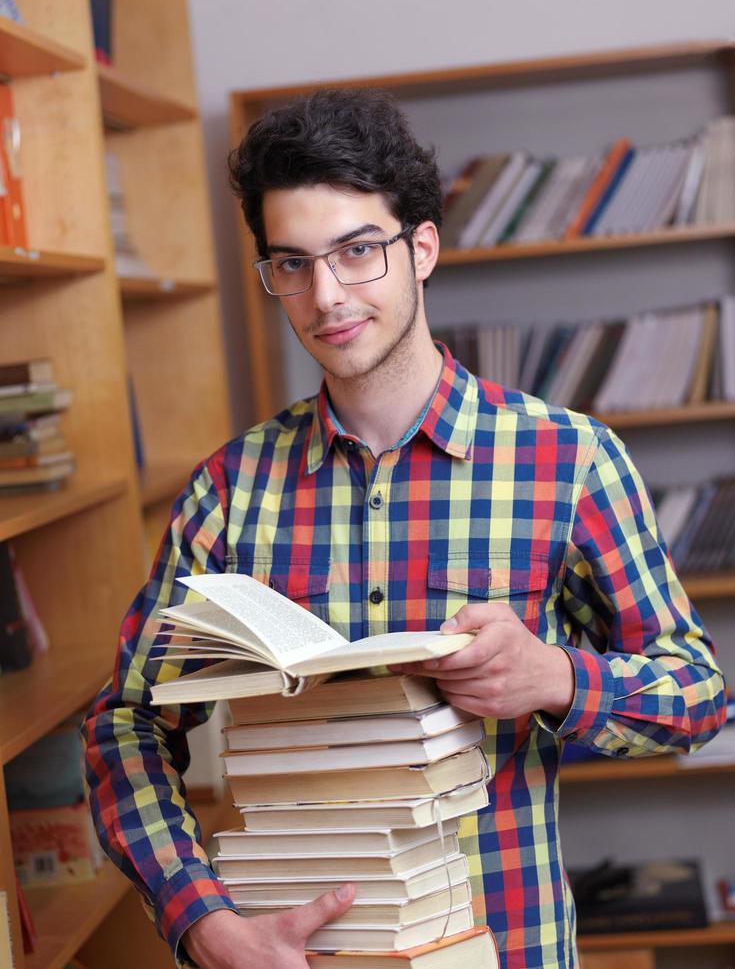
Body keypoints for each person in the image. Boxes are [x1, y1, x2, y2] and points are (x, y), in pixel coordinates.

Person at [83, 88, 726, 969]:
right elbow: (125, 721)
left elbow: (696, 696)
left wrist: (552, 675)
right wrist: (203, 921)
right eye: (292, 264)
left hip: (507, 946)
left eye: (357, 251)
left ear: (421, 247)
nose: (327, 295)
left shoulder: (569, 459)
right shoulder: (229, 490)